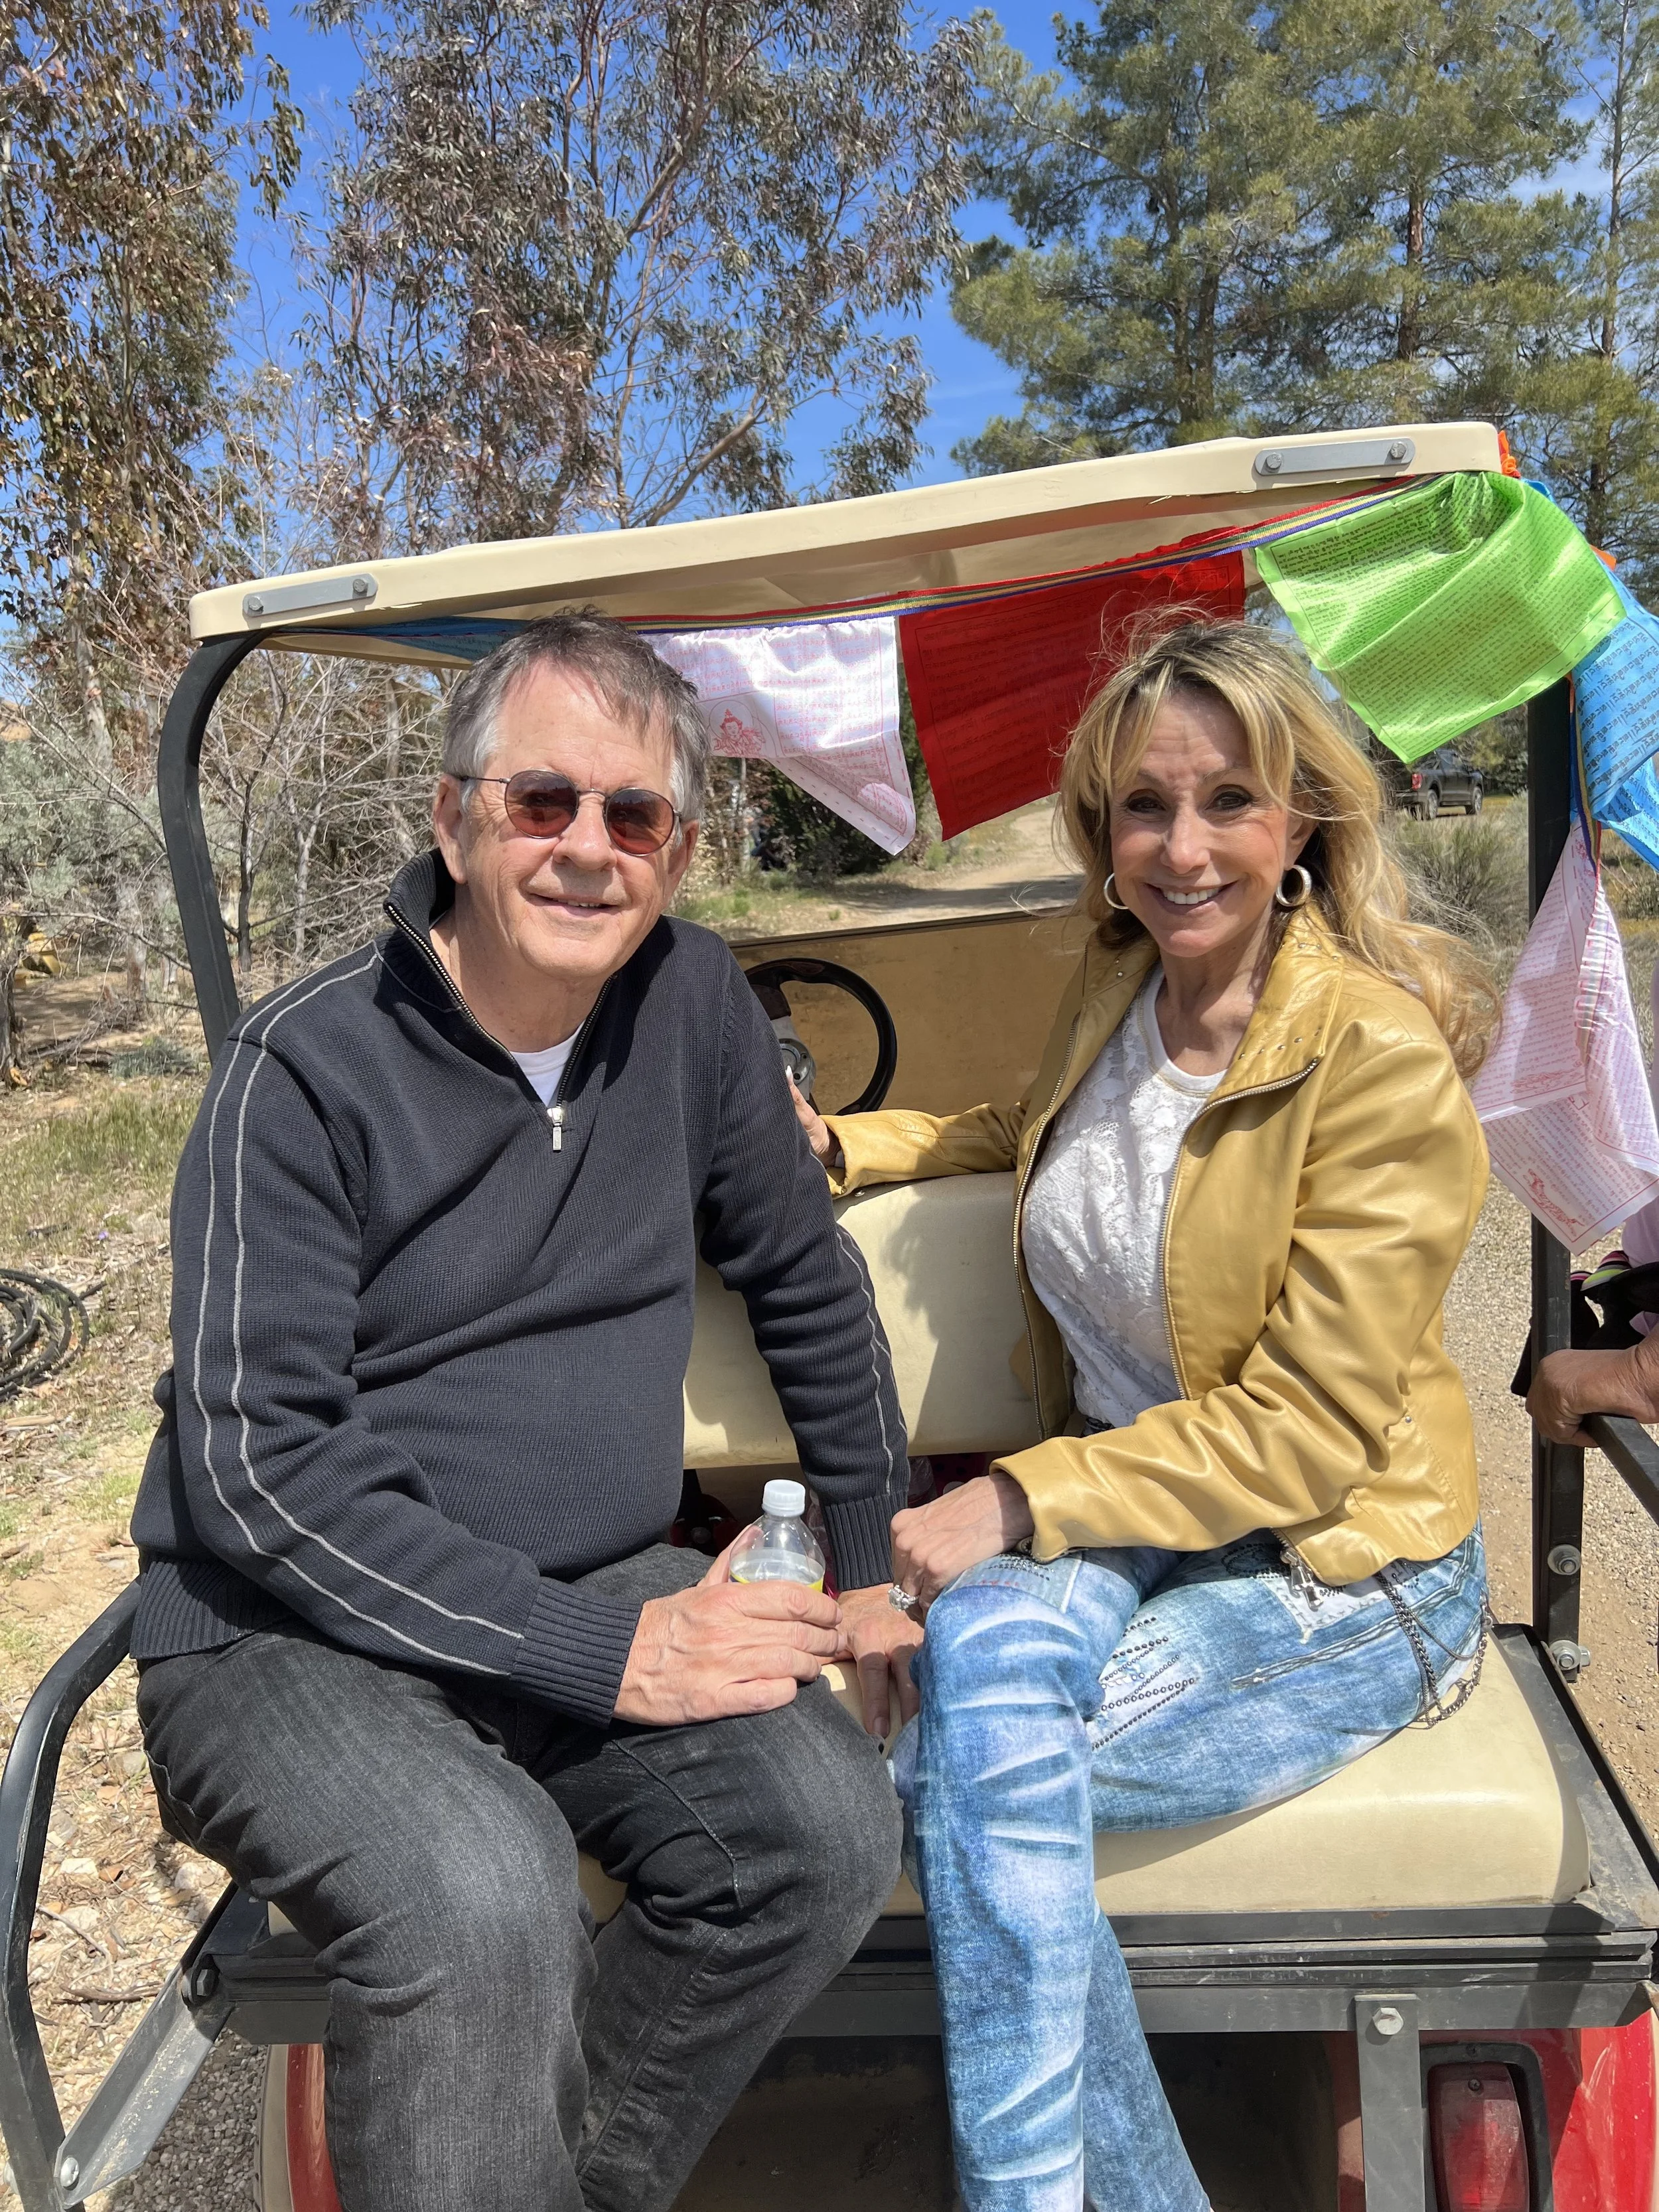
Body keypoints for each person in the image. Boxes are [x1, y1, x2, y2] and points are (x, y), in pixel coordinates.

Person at [130, 613, 919, 2212]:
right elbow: (257, 1465)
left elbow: (805, 1280)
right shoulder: (300, 1071)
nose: (585, 849)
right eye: (540, 800)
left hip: (577, 1580)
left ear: (680, 851)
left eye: (633, 817)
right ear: (452, 819)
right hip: (278, 1633)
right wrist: (604, 1654)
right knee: (482, 1894)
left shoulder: (691, 1006)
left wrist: (871, 1556)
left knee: (821, 1836)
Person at [792, 619, 1497, 2212]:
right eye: (1140, 808)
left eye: (1227, 801)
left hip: (1333, 1568)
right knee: (949, 1717)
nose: (1179, 850)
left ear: (1302, 820)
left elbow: (1305, 1435)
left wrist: (1014, 1501)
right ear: (1101, 830)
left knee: (947, 1780)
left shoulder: (1371, 1062)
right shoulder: (1124, 981)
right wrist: (849, 1146)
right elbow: (1021, 1128)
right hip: (1135, 1527)